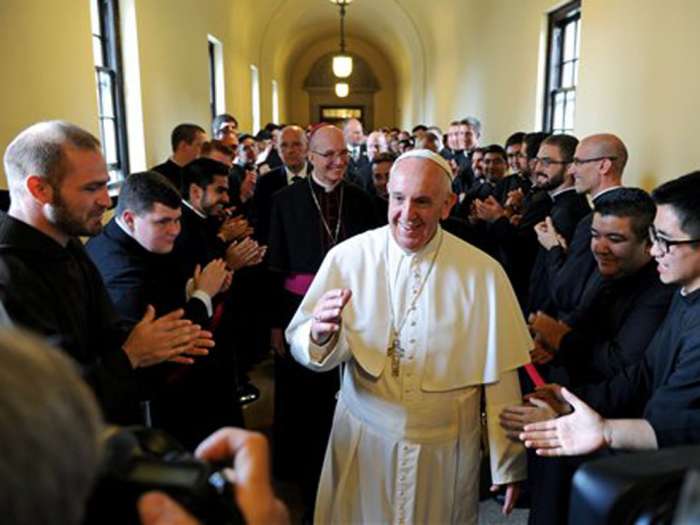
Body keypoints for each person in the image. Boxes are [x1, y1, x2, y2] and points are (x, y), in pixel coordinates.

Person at [286, 149, 531, 524]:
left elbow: (501, 377)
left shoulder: (483, 274)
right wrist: (319, 335)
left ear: (447, 205)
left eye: (423, 201)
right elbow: (304, 339)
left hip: (445, 450)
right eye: (398, 198)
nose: (407, 214)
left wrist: (508, 463)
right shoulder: (348, 257)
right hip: (363, 436)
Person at [0, 120, 209, 424]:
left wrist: (158, 342)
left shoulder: (67, 241)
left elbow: (105, 332)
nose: (106, 200)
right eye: (92, 188)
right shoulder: (9, 274)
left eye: (105, 183)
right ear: (40, 189)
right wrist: (132, 355)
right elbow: (48, 400)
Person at [267, 124, 379, 519]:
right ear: (310, 157)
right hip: (299, 311)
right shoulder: (284, 200)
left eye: (344, 155)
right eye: (328, 155)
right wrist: (277, 324)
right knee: (303, 400)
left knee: (349, 395)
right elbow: (274, 266)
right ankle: (305, 477)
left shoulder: (364, 200)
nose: (337, 163)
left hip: (354, 313)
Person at [86, 171, 238, 449]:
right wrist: (204, 294)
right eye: (163, 222)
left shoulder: (138, 239)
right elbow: (163, 342)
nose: (175, 231)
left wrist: (194, 287)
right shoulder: (121, 272)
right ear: (130, 219)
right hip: (159, 399)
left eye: (178, 219)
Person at [151, 124, 207, 190]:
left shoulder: (203, 172)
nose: (205, 150)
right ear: (183, 146)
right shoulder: (157, 176)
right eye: (200, 145)